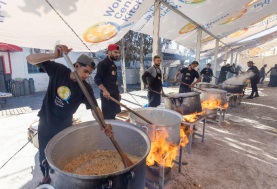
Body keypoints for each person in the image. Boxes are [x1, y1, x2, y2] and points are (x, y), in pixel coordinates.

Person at [26, 44, 113, 186]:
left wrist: (103, 125)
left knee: (62, 157)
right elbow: (30, 58)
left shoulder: (85, 88)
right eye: (85, 71)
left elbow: (95, 109)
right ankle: (45, 176)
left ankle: (62, 181)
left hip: (64, 128)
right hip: (46, 123)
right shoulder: (59, 71)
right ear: (76, 65)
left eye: (89, 74)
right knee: (44, 154)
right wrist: (53, 56)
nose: (86, 76)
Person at [94, 44, 121, 119]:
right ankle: (108, 129)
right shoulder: (102, 64)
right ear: (109, 52)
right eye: (115, 52)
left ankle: (113, 129)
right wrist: (104, 90)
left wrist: (117, 92)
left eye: (118, 53)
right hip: (107, 96)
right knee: (108, 117)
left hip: (114, 94)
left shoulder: (113, 65)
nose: (117, 55)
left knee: (114, 115)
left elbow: (114, 81)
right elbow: (97, 79)